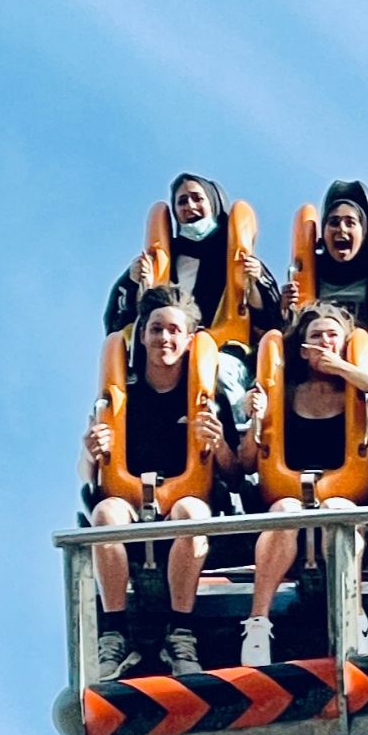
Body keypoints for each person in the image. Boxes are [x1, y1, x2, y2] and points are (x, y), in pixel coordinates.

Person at [81, 288, 246, 679]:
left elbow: (236, 475)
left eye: (174, 331)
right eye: (156, 330)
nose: (164, 339)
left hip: (187, 506)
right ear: (142, 336)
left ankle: (180, 630)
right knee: (106, 513)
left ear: (189, 340)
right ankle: (115, 633)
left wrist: (218, 442)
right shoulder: (122, 396)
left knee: (190, 512)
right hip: (130, 503)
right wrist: (91, 450)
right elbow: (88, 477)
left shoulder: (207, 397)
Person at [237, 302, 368, 666]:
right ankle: (257, 622)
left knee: (337, 512)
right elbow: (246, 461)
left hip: (344, 497)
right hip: (290, 498)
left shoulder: (355, 389)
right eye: (317, 336)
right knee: (284, 511)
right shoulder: (286, 390)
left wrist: (343, 367)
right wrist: (255, 420)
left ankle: (353, 617)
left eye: (333, 336)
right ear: (303, 347)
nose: (325, 342)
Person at [104, 173, 280, 341]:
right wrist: (136, 283)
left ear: (213, 203)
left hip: (227, 350)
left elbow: (271, 319)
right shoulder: (161, 259)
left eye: (197, 198)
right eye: (182, 201)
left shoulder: (241, 259)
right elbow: (118, 320)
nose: (190, 206)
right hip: (168, 349)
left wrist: (254, 282)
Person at [282, 180, 368, 379]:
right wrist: (285, 309)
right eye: (334, 222)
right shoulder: (308, 272)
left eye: (350, 223)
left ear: (364, 231)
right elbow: (287, 335)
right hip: (316, 367)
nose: (341, 230)